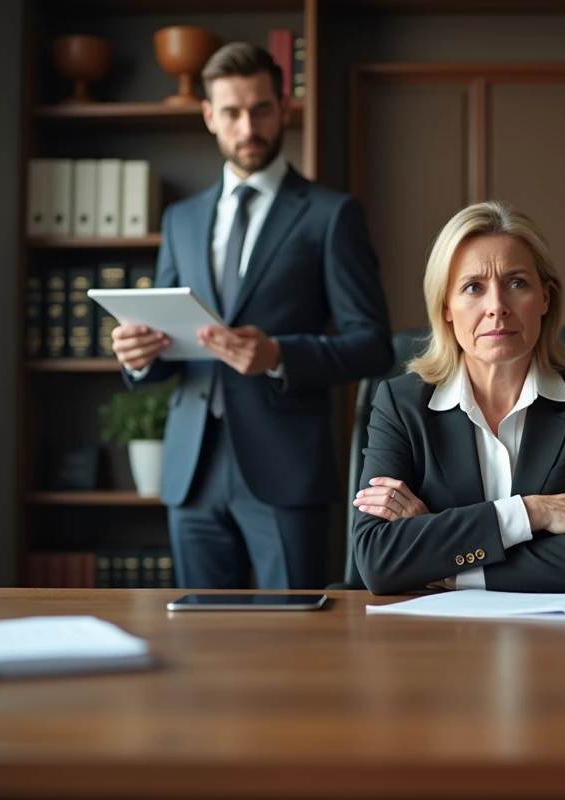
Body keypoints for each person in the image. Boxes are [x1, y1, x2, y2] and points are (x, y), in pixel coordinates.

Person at [111, 43, 393, 590]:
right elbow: (165, 342)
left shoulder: (332, 215)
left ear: (283, 109)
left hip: (285, 467)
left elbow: (373, 344)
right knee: (198, 643)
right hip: (192, 468)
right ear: (210, 116)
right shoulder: (181, 219)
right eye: (233, 112)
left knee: (295, 645)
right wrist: (139, 359)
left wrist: (279, 355)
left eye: (261, 109)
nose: (248, 126)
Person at [351, 200, 565, 595]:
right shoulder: (401, 406)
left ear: (545, 298)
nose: (497, 308)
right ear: (446, 307)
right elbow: (378, 560)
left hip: (561, 642)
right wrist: (538, 511)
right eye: (473, 287)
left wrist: (445, 559)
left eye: (517, 283)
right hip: (433, 644)